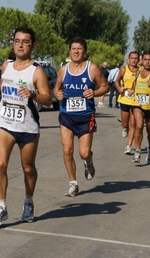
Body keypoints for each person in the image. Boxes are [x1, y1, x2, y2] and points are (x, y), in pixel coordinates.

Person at [0, 26, 52, 226]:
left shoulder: (37, 71)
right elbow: (3, 86)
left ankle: (28, 202)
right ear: (13, 44)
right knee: (0, 164)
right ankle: (1, 207)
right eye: (17, 41)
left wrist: (32, 94)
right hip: (5, 123)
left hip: (28, 126)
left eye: (25, 42)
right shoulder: (7, 66)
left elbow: (48, 99)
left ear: (32, 45)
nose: (20, 45)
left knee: (28, 168)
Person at [54, 37, 109, 197]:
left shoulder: (92, 68)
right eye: (73, 49)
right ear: (69, 52)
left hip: (86, 116)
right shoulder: (63, 70)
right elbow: (56, 87)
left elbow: (105, 87)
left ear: (84, 51)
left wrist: (94, 92)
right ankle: (73, 183)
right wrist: (57, 93)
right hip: (66, 116)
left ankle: (89, 162)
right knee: (67, 150)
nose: (76, 51)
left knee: (84, 153)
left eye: (79, 49)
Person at [115, 51, 140, 155]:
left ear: (138, 60)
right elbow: (116, 81)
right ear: (128, 59)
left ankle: (128, 146)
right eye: (132, 58)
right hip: (124, 98)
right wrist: (119, 88)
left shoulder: (140, 71)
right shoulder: (123, 69)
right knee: (125, 123)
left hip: (135, 100)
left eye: (136, 58)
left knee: (133, 124)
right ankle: (124, 128)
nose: (134, 60)